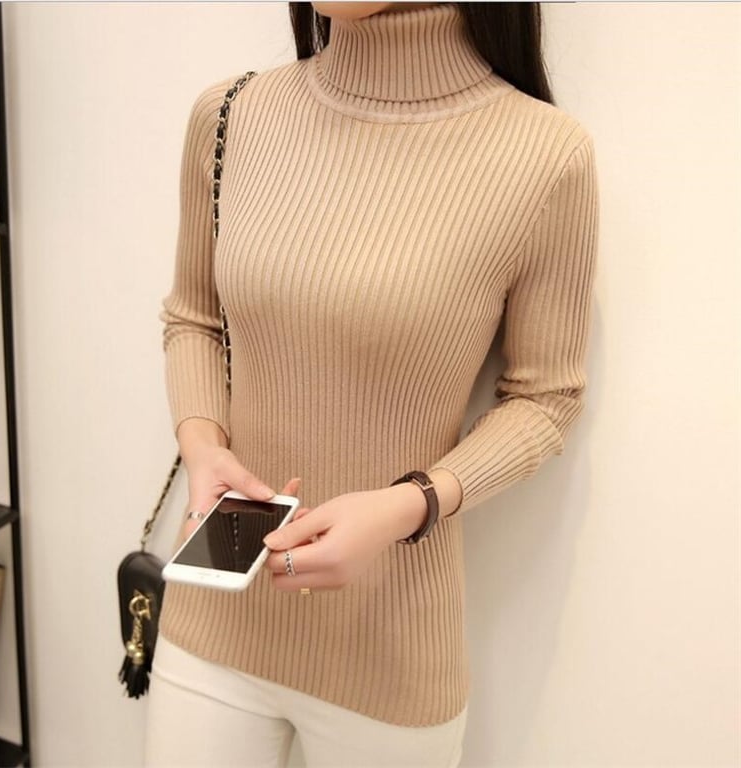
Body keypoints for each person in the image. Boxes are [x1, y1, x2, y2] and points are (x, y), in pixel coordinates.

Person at [144, 2, 600, 766]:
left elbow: (545, 399)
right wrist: (202, 444)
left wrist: (406, 505)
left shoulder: (546, 154)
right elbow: (194, 315)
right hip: (215, 603)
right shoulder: (230, 113)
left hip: (391, 646)